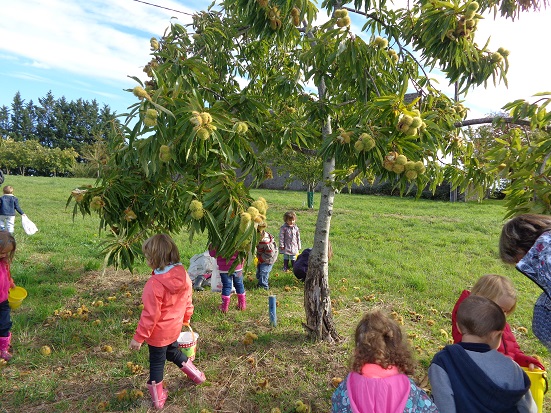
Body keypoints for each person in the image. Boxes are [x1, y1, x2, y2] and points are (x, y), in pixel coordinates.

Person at [129, 234, 205, 410]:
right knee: (173, 353)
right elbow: (188, 301)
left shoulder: (154, 284)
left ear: (156, 259)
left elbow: (150, 315)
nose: (147, 260)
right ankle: (196, 375)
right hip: (174, 328)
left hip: (158, 334)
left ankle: (158, 399)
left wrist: (139, 337)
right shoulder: (183, 275)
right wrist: (186, 319)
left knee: (157, 362)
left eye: (148, 257)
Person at [429, 295, 537, 413]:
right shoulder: (513, 369)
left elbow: (444, 407)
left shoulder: (443, 361)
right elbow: (529, 409)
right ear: (496, 335)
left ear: (458, 327)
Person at [332, 309, 439, 412]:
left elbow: (338, 405)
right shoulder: (408, 388)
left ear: (357, 350)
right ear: (398, 348)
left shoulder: (348, 385)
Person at [451, 274, 544, 370]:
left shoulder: (502, 324)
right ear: (480, 299)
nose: (502, 315)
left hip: (500, 374)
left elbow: (514, 352)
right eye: (500, 309)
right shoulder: (468, 319)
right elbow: (471, 349)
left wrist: (527, 362)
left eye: (505, 311)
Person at [499, 213, 551, 351]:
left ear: (517, 247)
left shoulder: (546, 255)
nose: (519, 263)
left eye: (516, 259)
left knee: (542, 312)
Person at [209, 248, 246, 313]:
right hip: (237, 267)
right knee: (239, 285)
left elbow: (212, 254)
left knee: (226, 286)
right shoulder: (238, 239)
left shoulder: (218, 240)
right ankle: (242, 305)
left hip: (224, 268)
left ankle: (224, 307)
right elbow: (244, 251)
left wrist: (211, 247)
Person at [0, 231, 16, 361]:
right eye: (2, 252)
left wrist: (10, 283)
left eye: (7, 252)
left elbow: (6, 275)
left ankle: (3, 348)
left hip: (3, 301)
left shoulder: (4, 262)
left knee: (5, 324)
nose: (4, 255)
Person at [255, 222, 278, 290]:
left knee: (264, 271)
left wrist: (261, 259)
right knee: (259, 271)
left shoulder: (266, 242)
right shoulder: (257, 239)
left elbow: (270, 254)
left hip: (268, 259)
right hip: (261, 256)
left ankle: (264, 286)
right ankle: (260, 281)